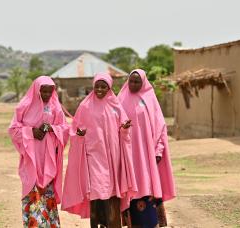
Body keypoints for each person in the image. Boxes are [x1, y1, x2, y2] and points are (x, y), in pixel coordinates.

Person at [62, 72, 137, 228]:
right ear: (93, 86)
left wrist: (124, 129)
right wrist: (79, 135)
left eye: (104, 87)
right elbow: (74, 130)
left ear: (109, 88)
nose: (100, 90)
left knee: (111, 194)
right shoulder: (85, 106)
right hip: (93, 156)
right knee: (97, 192)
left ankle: (112, 223)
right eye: (97, 86)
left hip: (112, 157)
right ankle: (97, 223)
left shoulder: (116, 106)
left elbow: (124, 129)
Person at [118, 69, 176, 228]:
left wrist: (158, 151)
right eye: (131, 81)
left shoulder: (150, 99)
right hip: (128, 155)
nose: (133, 84)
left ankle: (152, 223)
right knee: (131, 189)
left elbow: (160, 127)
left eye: (137, 81)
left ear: (143, 82)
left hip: (147, 156)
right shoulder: (120, 99)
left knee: (148, 189)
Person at [8, 76, 69, 228]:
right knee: (32, 190)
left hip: (48, 159)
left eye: (50, 91)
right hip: (31, 158)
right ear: (36, 90)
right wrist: (31, 132)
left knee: (47, 193)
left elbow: (64, 128)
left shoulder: (55, 107)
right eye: (43, 91)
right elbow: (13, 130)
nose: (47, 95)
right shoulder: (24, 106)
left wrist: (51, 128)